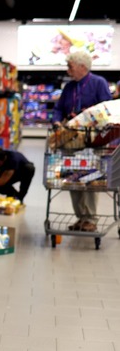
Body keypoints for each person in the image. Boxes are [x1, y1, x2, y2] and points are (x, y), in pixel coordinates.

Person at [52, 50, 112, 232]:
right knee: (73, 178)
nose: (67, 69)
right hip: (71, 139)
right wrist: (56, 121)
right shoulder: (69, 87)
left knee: (91, 178)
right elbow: (58, 108)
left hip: (92, 139)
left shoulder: (98, 83)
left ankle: (91, 219)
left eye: (70, 66)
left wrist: (88, 116)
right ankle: (80, 217)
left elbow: (106, 110)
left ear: (82, 67)